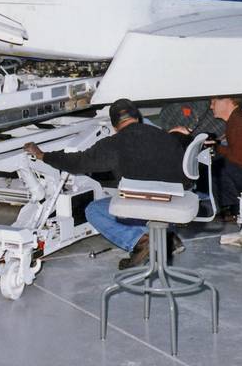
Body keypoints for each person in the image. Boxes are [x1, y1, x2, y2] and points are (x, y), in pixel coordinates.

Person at [23, 99, 188, 270]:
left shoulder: (113, 144)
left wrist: (44, 156)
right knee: (138, 195)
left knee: (94, 210)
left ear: (115, 126)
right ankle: (166, 236)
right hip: (174, 202)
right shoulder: (163, 135)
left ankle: (142, 241)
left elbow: (78, 163)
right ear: (137, 118)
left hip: (144, 203)